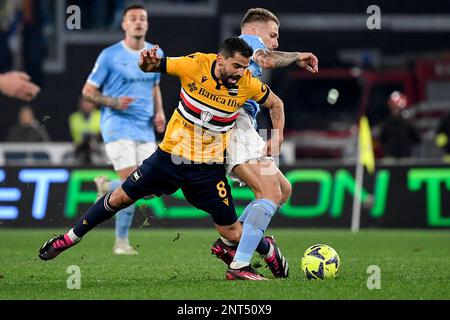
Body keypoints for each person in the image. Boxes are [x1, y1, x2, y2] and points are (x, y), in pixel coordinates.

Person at [38, 37, 285, 281]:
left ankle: (266, 249)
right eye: (236, 66)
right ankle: (69, 238)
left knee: (230, 232)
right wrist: (146, 62)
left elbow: (276, 104)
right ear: (220, 60)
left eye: (244, 67)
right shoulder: (194, 64)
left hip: (207, 170)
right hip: (168, 158)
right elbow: (152, 66)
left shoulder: (248, 84)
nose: (241, 73)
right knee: (120, 197)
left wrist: (276, 137)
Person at [210, 8, 318, 278]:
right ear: (254, 30)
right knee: (269, 193)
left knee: (283, 189)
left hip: (243, 125)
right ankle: (240, 265)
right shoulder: (248, 43)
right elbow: (267, 59)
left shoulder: (238, 54)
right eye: (273, 35)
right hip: (234, 123)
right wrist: (297, 56)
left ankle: (228, 245)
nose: (275, 42)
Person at [81, 4, 166, 255]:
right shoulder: (109, 55)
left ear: (147, 24)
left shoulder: (156, 52)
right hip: (117, 125)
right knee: (132, 183)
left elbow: (154, 85)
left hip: (144, 127)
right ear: (124, 24)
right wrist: (114, 102)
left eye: (143, 18)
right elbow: (88, 92)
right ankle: (121, 242)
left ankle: (106, 186)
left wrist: (159, 111)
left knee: (151, 188)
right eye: (133, 18)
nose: (138, 22)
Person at [378, 91, 421, 159]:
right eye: (394, 107)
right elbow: (381, 140)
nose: (395, 110)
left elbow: (417, 139)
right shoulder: (386, 123)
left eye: (396, 107)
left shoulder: (408, 123)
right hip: (391, 157)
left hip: (405, 157)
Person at [68, 99, 101, 164]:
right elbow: (76, 134)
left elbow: (100, 133)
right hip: (79, 147)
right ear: (80, 105)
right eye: (84, 103)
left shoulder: (100, 115)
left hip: (97, 146)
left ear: (94, 105)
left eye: (89, 103)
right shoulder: (74, 117)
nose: (86, 105)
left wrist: (92, 136)